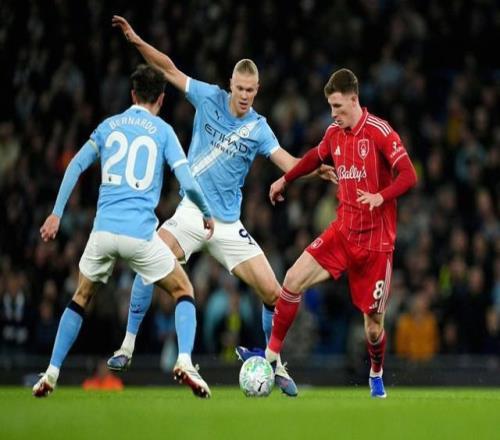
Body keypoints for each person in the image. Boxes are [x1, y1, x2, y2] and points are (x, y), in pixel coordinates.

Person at [108, 16, 335, 397]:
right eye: (240, 88)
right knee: (147, 261)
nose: (244, 95)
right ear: (231, 84)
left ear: (257, 90)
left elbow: (287, 162)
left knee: (274, 295)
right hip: (191, 215)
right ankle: (127, 347)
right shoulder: (208, 97)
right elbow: (168, 69)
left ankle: (274, 362)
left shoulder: (259, 128)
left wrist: (316, 171)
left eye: (251, 90)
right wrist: (136, 40)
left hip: (228, 225)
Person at [32, 64, 215, 399]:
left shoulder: (108, 126)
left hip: (102, 233)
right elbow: (187, 181)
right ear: (161, 99)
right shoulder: (163, 131)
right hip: (140, 236)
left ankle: (52, 372)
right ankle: (186, 361)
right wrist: (205, 212)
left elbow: (75, 164)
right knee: (183, 290)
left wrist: (56, 214)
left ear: (132, 94)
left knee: (81, 297)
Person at [241, 68, 418, 398]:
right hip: (343, 233)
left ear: (354, 99)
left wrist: (381, 196)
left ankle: (376, 372)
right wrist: (285, 179)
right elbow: (314, 157)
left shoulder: (380, 131)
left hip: (376, 245)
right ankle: (272, 357)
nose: (333, 114)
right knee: (291, 281)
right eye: (330, 107)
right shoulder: (335, 133)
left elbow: (409, 175)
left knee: (373, 328)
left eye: (337, 106)